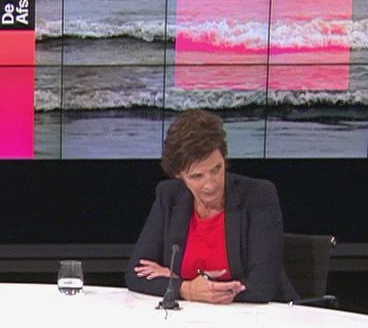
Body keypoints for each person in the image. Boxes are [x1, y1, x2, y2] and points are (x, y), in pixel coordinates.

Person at [125, 109, 296, 304]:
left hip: (261, 316)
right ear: (179, 175)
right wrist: (187, 289)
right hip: (191, 317)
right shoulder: (169, 196)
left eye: (216, 169)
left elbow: (261, 287)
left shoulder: (258, 196)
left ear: (224, 159)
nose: (210, 184)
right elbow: (136, 274)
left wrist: (184, 282)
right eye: (197, 176)